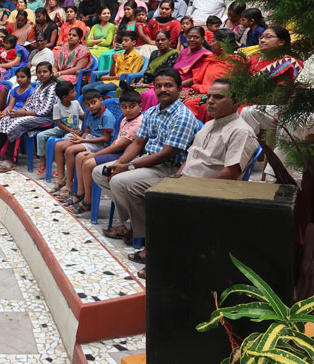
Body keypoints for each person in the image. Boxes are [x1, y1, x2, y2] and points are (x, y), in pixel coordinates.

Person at [123, 78, 258, 275]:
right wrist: (177, 178)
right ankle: (152, 243)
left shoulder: (240, 131)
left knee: (163, 200)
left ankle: (163, 256)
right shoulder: (209, 125)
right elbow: (191, 156)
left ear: (236, 102)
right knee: (133, 188)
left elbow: (230, 173)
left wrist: (187, 185)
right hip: (186, 181)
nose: (210, 101)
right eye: (208, 97)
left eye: (218, 97)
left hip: (209, 189)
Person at [92, 67, 199, 248]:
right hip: (148, 160)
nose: (163, 89)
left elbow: (167, 153)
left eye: (168, 86)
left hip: (168, 166)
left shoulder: (182, 116)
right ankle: (136, 221)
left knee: (118, 181)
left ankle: (131, 226)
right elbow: (138, 143)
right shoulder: (152, 112)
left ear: (179, 89)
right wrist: (120, 163)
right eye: (158, 86)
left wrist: (130, 166)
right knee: (100, 173)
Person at [70, 85, 143, 215]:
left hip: (125, 155)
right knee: (80, 156)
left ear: (140, 106)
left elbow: (119, 146)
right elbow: (117, 141)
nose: (128, 110)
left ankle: (88, 201)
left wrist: (95, 154)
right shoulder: (125, 119)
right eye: (124, 107)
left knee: (88, 162)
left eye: (132, 106)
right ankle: (80, 193)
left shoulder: (138, 123)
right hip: (116, 151)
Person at [0, 62, 58, 172]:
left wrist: (22, 114)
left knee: (17, 123)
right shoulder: (38, 87)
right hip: (32, 115)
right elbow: (29, 105)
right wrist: (17, 112)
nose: (42, 74)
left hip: (46, 118)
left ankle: (11, 160)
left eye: (45, 72)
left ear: (51, 73)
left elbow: (44, 111)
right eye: (39, 72)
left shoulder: (53, 88)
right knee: (6, 119)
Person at [53, 88, 115, 195]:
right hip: (89, 139)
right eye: (88, 104)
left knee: (70, 150)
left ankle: (69, 183)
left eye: (93, 102)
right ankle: (61, 177)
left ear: (101, 100)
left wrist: (82, 140)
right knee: (58, 145)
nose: (91, 106)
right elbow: (87, 131)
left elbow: (106, 139)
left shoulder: (106, 116)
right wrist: (80, 139)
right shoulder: (90, 113)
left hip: (100, 143)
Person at [139, 26, 213, 109]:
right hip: (173, 82)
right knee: (145, 94)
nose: (192, 40)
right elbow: (174, 70)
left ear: (203, 39)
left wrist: (177, 85)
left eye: (196, 37)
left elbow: (196, 78)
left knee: (152, 95)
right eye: (189, 37)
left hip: (185, 86)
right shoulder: (184, 51)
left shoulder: (205, 55)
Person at [182, 29, 244, 121]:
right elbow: (198, 79)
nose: (210, 44)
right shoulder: (211, 58)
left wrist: (201, 90)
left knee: (189, 103)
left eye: (213, 41)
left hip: (215, 94)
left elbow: (228, 87)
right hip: (201, 90)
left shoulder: (234, 62)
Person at [35, 81, 83, 175]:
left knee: (65, 140)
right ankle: (42, 158)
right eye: (72, 92)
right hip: (61, 129)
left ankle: (62, 165)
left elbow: (83, 116)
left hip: (72, 131)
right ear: (65, 97)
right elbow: (59, 124)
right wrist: (72, 131)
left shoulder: (76, 103)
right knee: (40, 136)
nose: (75, 93)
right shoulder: (57, 107)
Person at [82, 31, 144, 95]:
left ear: (133, 42)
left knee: (96, 89)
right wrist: (114, 62)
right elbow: (112, 74)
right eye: (122, 41)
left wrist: (109, 78)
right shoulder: (120, 55)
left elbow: (129, 77)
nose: (123, 43)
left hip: (123, 83)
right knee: (85, 88)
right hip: (112, 81)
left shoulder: (137, 57)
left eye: (126, 41)